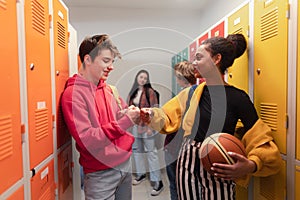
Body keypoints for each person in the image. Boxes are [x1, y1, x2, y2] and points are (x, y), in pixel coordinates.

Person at [140, 34, 282, 200]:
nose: (193, 63)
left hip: (218, 163)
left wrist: (251, 165)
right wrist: (148, 113)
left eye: (199, 57)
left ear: (216, 59)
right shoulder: (191, 93)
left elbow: (262, 141)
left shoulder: (238, 98)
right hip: (186, 163)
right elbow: (166, 115)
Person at [61, 34, 140, 200]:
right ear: (88, 59)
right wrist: (126, 120)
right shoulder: (73, 95)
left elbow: (117, 115)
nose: (111, 67)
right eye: (106, 61)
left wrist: (127, 113)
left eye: (112, 62)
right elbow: (88, 140)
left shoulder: (108, 89)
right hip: (100, 174)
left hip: (125, 164)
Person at [127, 69, 164, 196]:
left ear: (147, 80)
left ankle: (157, 181)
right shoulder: (133, 93)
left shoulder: (150, 92)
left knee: (151, 153)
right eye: (140, 77)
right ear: (137, 78)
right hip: (135, 127)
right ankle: (141, 174)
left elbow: (154, 110)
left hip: (147, 127)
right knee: (137, 151)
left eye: (145, 78)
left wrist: (150, 127)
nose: (142, 79)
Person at [164, 61, 196, 200]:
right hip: (191, 148)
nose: (176, 81)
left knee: (175, 185)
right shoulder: (200, 92)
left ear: (182, 78)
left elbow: (166, 122)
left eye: (177, 77)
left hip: (175, 148)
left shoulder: (182, 96)